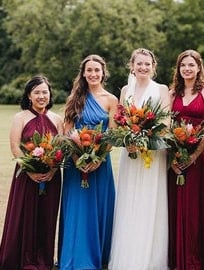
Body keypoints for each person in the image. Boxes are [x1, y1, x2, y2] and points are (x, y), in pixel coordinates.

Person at [108, 48, 170, 270]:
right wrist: (128, 140)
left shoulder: (162, 90)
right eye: (139, 64)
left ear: (153, 67)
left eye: (147, 64)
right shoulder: (126, 90)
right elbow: (119, 121)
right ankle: (128, 254)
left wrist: (145, 139)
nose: (143, 68)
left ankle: (150, 257)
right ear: (131, 66)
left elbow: (166, 124)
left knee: (150, 199)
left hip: (153, 154)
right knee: (129, 198)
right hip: (131, 153)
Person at [58, 54, 118, 269]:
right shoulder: (74, 98)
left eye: (97, 70)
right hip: (75, 163)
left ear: (103, 72)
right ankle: (75, 257)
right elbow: (66, 132)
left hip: (101, 164)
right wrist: (77, 158)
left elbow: (113, 134)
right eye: (89, 70)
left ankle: (98, 255)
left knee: (99, 207)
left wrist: (98, 158)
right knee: (78, 208)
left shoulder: (111, 100)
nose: (93, 74)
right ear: (83, 73)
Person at [0, 75, 63, 269]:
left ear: (49, 94)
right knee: (24, 215)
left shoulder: (57, 119)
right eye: (37, 92)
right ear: (29, 95)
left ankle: (43, 258)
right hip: (26, 176)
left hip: (51, 178)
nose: (41, 96)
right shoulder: (20, 117)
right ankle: (23, 258)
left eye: (45, 92)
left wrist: (52, 171)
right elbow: (15, 147)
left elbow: (61, 148)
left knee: (47, 216)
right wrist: (30, 170)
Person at [167, 49, 204, 270]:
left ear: (199, 68)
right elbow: (166, 127)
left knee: (196, 208)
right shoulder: (171, 93)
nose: (187, 69)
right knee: (176, 205)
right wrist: (173, 157)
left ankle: (197, 257)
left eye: (191, 65)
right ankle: (177, 256)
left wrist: (195, 154)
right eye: (183, 65)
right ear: (178, 69)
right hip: (176, 158)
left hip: (198, 158)